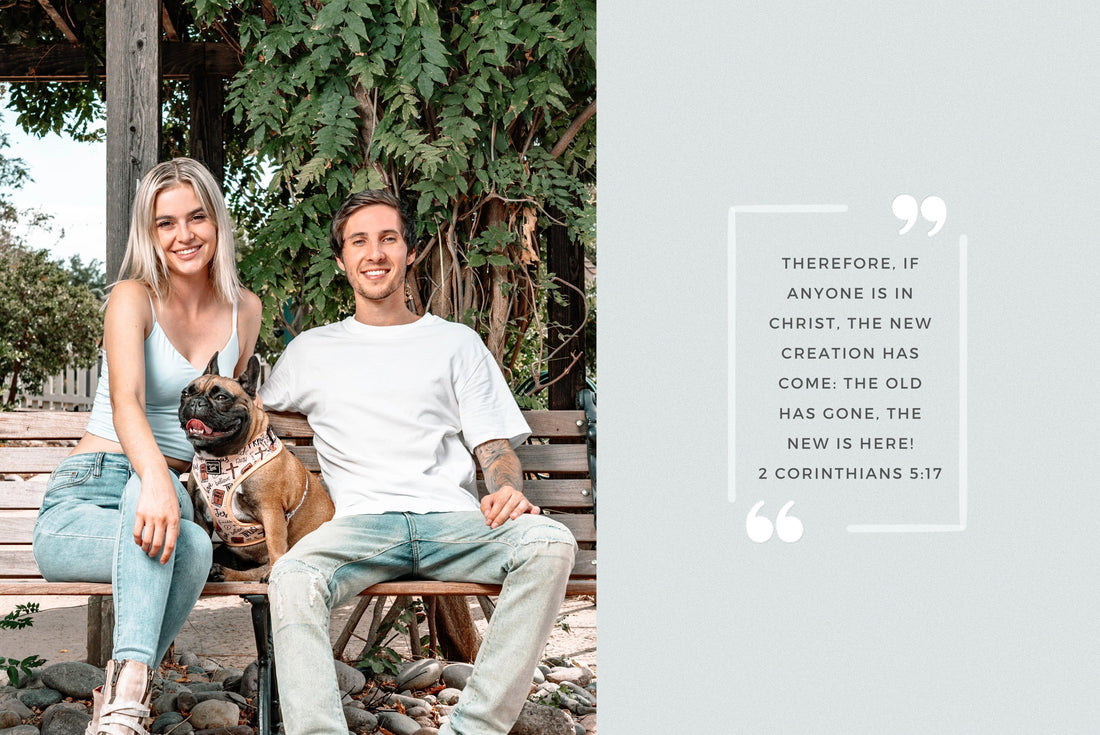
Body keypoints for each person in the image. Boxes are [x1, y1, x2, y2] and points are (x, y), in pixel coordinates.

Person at [258, 190, 577, 735]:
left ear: (409, 252)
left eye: (388, 238)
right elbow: (247, 418)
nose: (374, 253)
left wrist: (503, 489)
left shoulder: (456, 344)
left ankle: (472, 729)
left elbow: (494, 449)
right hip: (360, 527)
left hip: (450, 523)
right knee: (292, 575)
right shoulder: (310, 351)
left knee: (551, 543)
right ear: (341, 261)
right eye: (359, 241)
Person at [32, 158, 262, 735]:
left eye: (196, 217)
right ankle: (132, 688)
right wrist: (157, 481)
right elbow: (126, 400)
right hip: (91, 493)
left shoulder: (245, 310)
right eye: (166, 223)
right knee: (184, 542)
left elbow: (221, 417)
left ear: (218, 222)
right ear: (149, 233)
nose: (184, 235)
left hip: (174, 496)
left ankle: (122, 697)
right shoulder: (131, 297)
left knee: (189, 539)